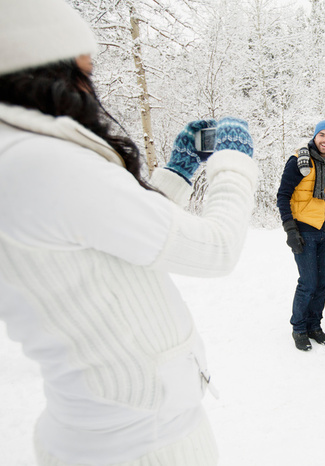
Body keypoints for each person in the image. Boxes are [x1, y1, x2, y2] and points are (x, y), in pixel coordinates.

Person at [0, 1, 257, 465]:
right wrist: (234, 163)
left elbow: (107, 234)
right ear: (42, 71)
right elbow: (217, 250)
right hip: (141, 446)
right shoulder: (41, 163)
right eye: (84, 70)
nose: (89, 86)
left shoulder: (20, 155)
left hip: (113, 432)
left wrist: (177, 173)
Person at [277, 120, 325, 351]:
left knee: (324, 281)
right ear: (315, 136)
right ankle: (299, 328)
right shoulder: (299, 161)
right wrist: (290, 229)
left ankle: (315, 325)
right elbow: (283, 195)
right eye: (322, 135)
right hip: (304, 229)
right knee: (308, 282)